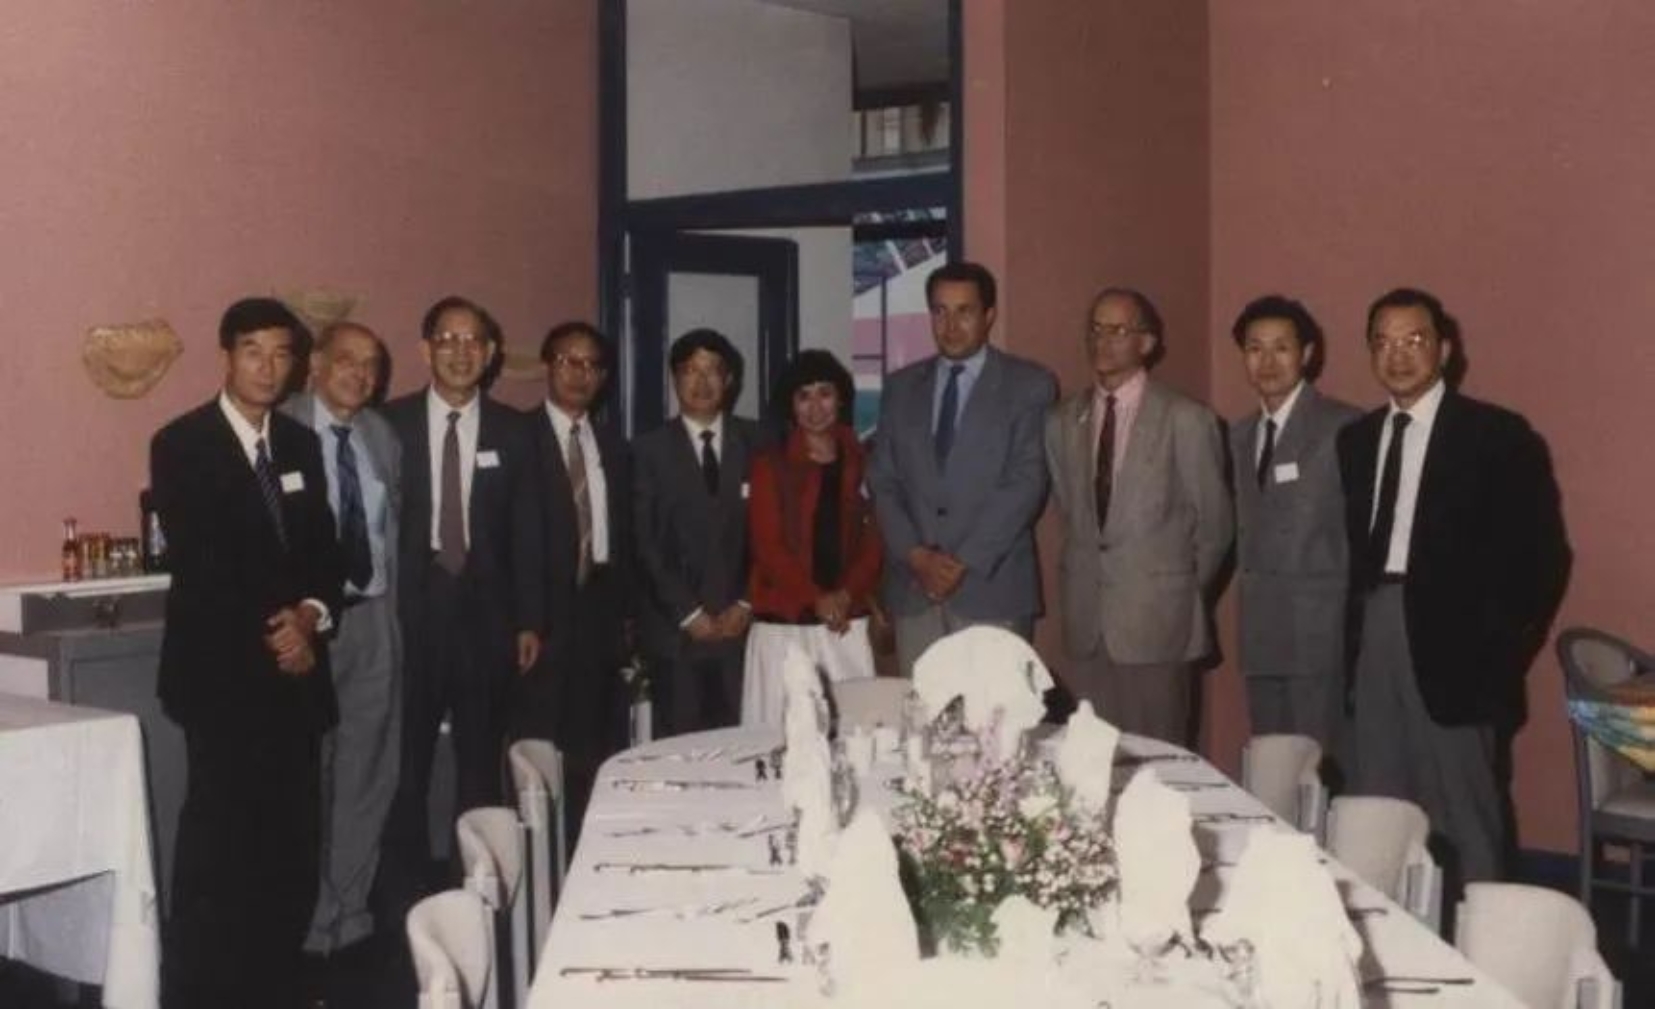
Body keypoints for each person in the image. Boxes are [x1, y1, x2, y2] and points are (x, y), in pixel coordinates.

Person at [1338, 287, 1568, 883]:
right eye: (1383, 342)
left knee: (1465, 814)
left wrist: (1498, 652)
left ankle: (1481, 932)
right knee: (1379, 807)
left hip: (1459, 652)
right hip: (1376, 639)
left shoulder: (1497, 435)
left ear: (1444, 349)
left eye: (1414, 340)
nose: (1398, 355)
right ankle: (1390, 931)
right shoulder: (1356, 440)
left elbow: (1542, 560)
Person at [151, 297, 343, 1009]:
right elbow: (207, 564)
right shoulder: (181, 443)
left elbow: (324, 551)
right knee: (221, 842)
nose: (268, 366)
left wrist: (311, 615)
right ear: (227, 356)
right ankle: (202, 990)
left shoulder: (300, 445)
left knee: (291, 840)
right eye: (253, 351)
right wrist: (281, 631)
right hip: (223, 681)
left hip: (296, 681)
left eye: (281, 353)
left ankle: (277, 983)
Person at [378, 296, 544, 915]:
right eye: (446, 339)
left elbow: (528, 532)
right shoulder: (387, 424)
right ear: (425, 351)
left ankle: (473, 892)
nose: (460, 351)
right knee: (406, 765)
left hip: (487, 622)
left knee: (479, 763)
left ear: (491, 353)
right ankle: (402, 894)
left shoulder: (515, 431)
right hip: (408, 618)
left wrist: (529, 620)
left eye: (473, 340)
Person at [1044, 287, 1231, 746]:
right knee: (1090, 761)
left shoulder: (1186, 419)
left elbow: (1215, 527)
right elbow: (1074, 513)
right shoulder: (1062, 421)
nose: (1103, 340)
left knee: (1157, 761)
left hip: (1158, 622)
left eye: (1118, 330)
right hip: (1087, 622)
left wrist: (1173, 590)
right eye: (1095, 329)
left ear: (1147, 343)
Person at [278, 321, 403, 955]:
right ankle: (307, 912)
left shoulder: (382, 435)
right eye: (347, 360)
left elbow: (391, 532)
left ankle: (349, 909)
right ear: (317, 366)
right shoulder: (281, 429)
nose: (361, 374)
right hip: (308, 625)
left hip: (373, 616)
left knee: (368, 769)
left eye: (372, 364)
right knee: (308, 771)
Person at [866, 261, 1057, 674]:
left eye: (964, 311)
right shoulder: (900, 388)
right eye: (940, 311)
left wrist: (960, 564)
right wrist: (916, 556)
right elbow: (882, 481)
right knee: (923, 710)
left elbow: (1026, 484)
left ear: (989, 315)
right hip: (914, 590)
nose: (950, 326)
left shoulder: (1028, 385)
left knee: (995, 712)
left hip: (991, 588)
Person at [1227, 296, 1359, 751]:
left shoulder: (1343, 427)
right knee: (1270, 765)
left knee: (1320, 768)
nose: (1267, 361)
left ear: (1307, 353)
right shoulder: (1239, 435)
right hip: (1260, 634)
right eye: (1255, 348)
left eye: (1281, 348)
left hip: (1320, 636)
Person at [520, 321, 632, 838]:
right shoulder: (518, 437)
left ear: (603, 377)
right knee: (539, 749)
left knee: (596, 747)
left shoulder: (612, 443)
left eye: (591, 365)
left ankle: (589, 848)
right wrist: (522, 620)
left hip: (600, 611)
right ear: (549, 366)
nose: (580, 374)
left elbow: (625, 533)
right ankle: (541, 858)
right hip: (539, 618)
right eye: (569, 361)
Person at [632, 328, 769, 736]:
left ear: (730, 380)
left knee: (745, 745)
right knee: (679, 750)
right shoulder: (647, 450)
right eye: (690, 370)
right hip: (676, 634)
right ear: (675, 379)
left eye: (712, 371)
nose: (702, 381)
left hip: (743, 630)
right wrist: (688, 612)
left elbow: (773, 533)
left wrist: (746, 602)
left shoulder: (760, 441)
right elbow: (644, 542)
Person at [742, 349, 882, 726]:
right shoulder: (769, 464)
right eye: (803, 396)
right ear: (790, 405)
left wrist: (845, 595)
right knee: (778, 735)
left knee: (854, 734)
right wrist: (815, 598)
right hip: (783, 626)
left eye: (825, 393)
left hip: (845, 624)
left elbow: (874, 543)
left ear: (841, 399)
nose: (815, 406)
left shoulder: (865, 461)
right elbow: (767, 547)